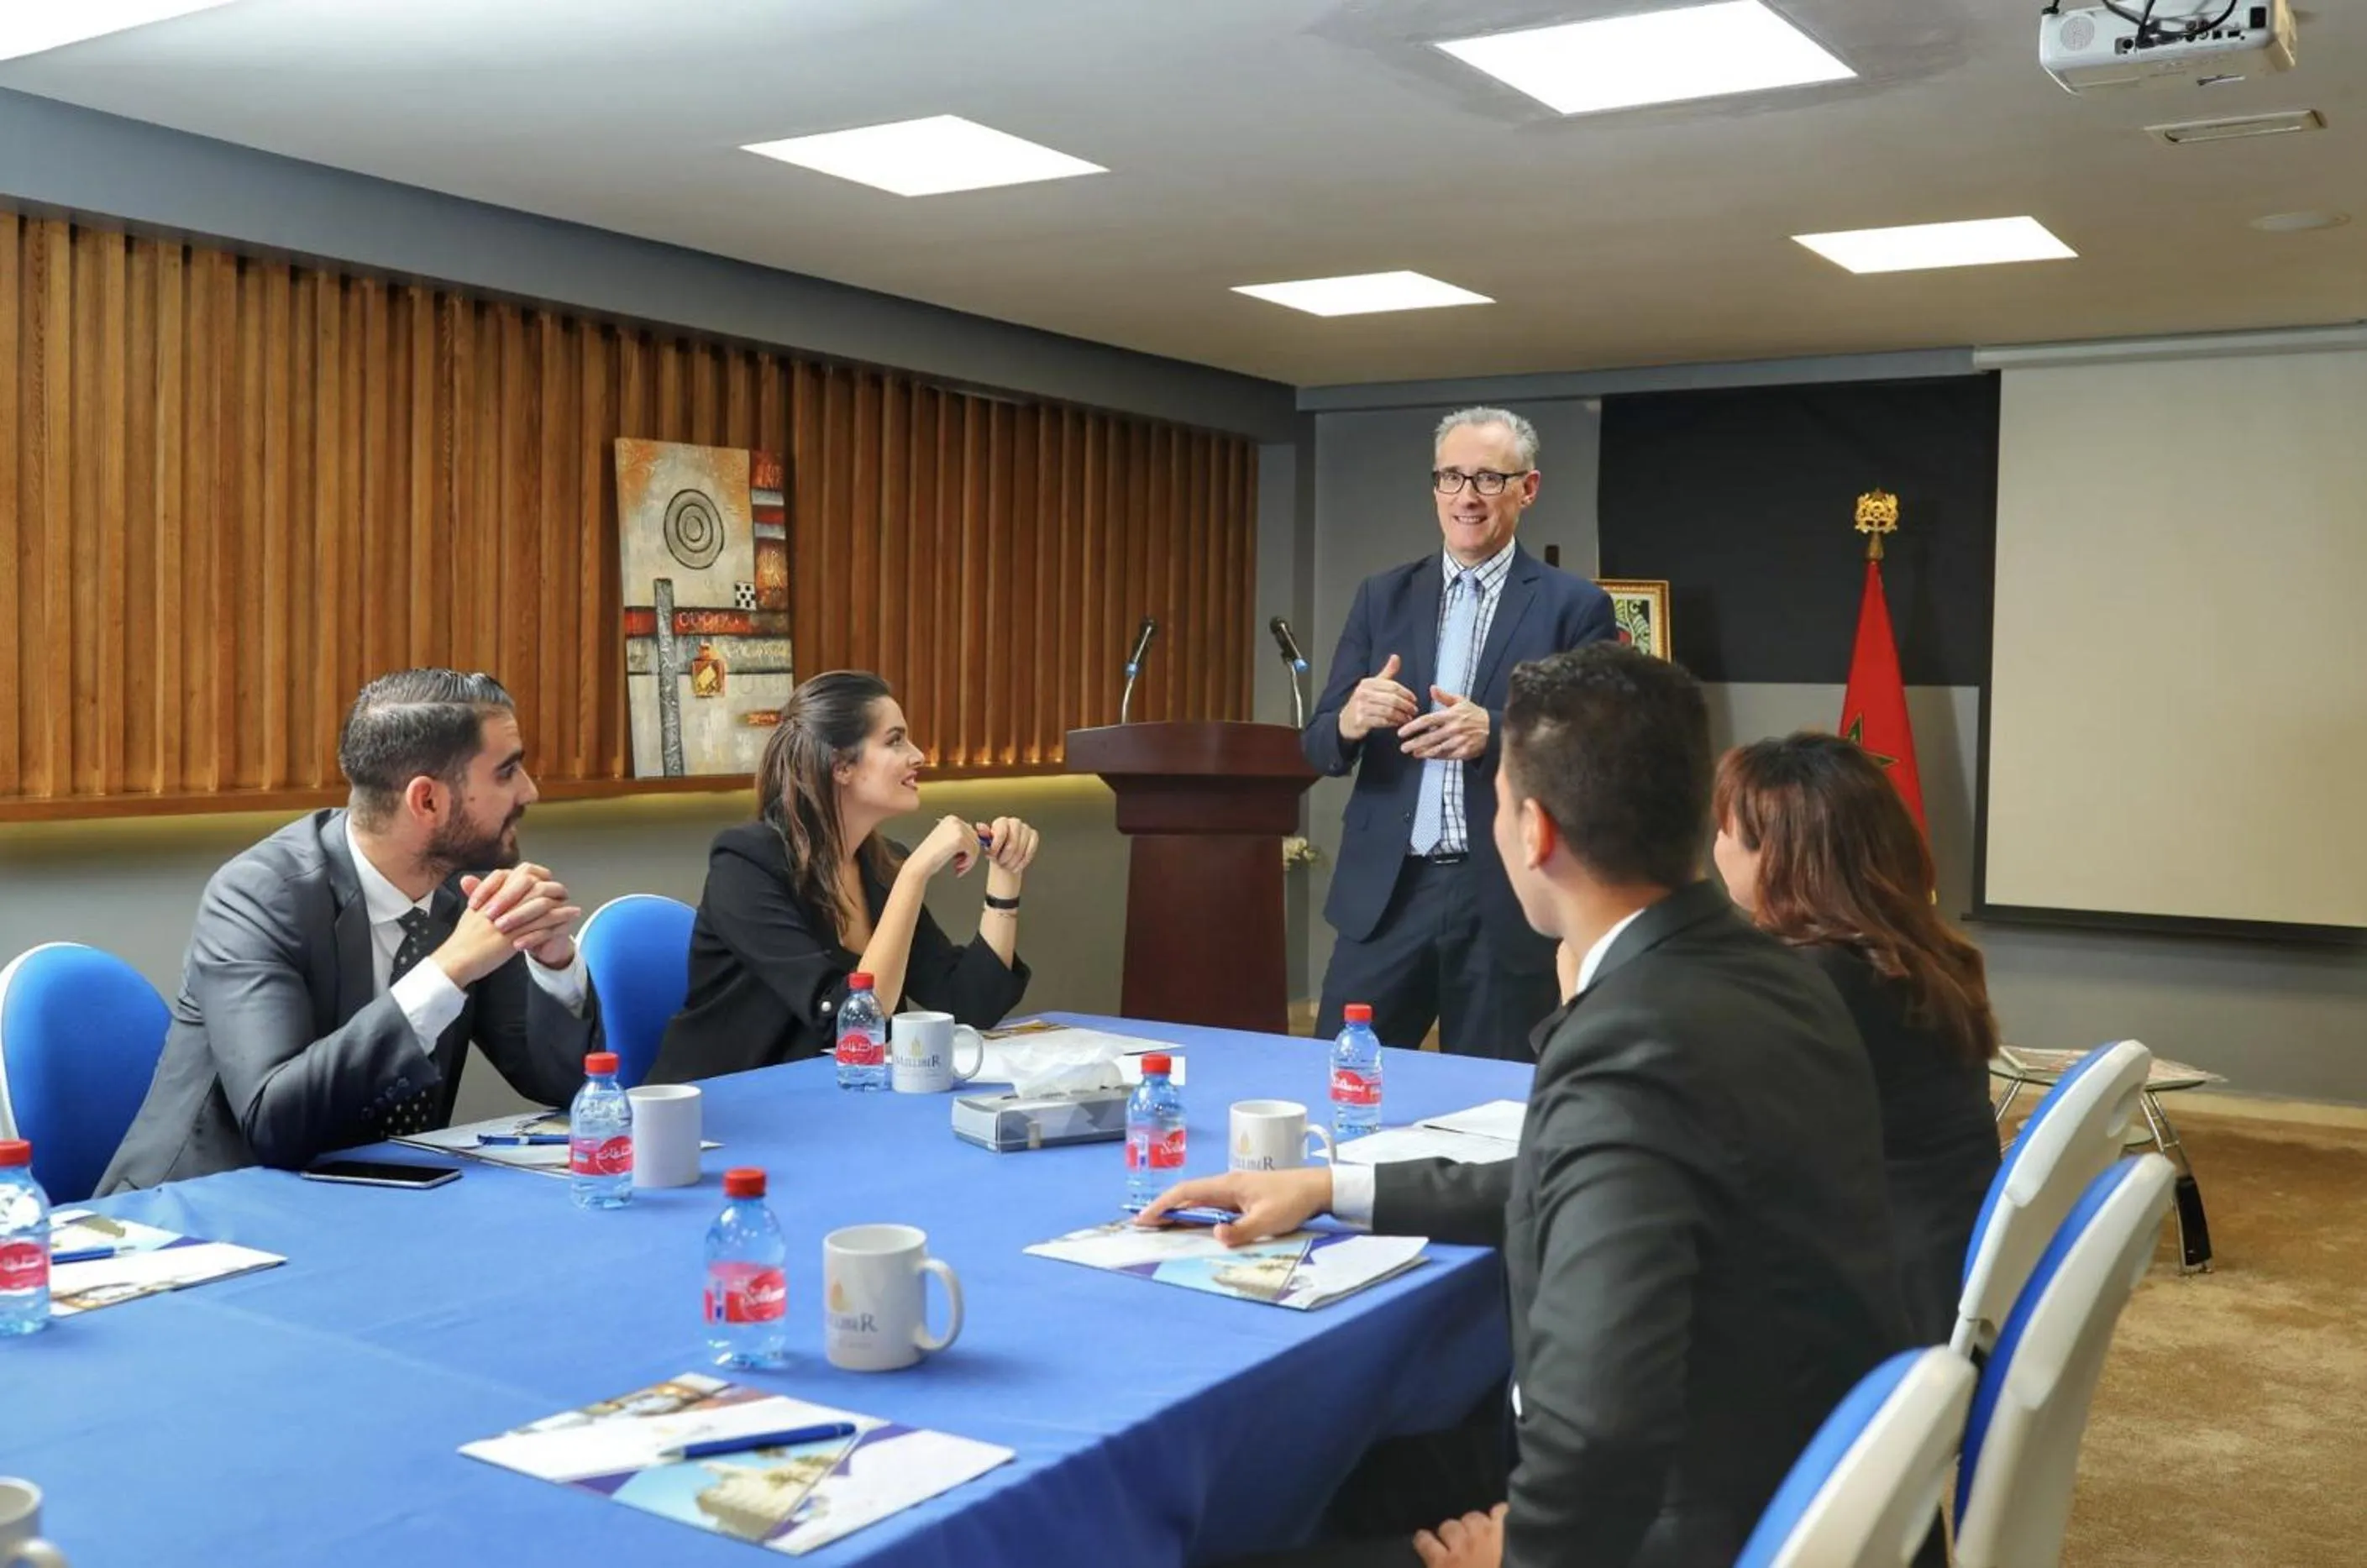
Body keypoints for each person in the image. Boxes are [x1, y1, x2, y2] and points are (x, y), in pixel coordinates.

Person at [1146, 645, 1907, 1568]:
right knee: (1306, 1476)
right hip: (1776, 1460)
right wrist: (1328, 1186)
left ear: (1533, 830)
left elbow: (1599, 1430)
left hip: (1676, 1518)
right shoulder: (1771, 974)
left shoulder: (1631, 1040)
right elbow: (1574, 1179)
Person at [99, 670, 600, 1193]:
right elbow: (276, 1121)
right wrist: (448, 971)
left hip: (378, 1206)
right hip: (207, 1216)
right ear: (427, 801)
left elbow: (571, 1086)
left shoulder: (460, 891)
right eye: (507, 772)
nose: (531, 790)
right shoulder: (259, 894)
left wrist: (554, 965)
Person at [1304, 407, 1617, 1060]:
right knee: (1339, 1082)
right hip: (1386, 898)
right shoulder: (1381, 595)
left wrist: (1496, 731)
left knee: (1495, 1102)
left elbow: (1595, 747)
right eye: (1450, 477)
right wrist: (1352, 719)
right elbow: (1316, 744)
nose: (1466, 497)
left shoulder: (1572, 606)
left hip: (1502, 895)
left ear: (1527, 489)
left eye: (1487, 479)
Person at [1714, 732, 2002, 1342]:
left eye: (1725, 830)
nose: (1714, 847)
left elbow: (1702, 1139)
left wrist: (1578, 993)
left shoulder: (1813, 976)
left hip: (1876, 1314)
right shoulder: (1917, 948)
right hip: (1936, 1275)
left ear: (1777, 854)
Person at [652, 671, 1034, 1079]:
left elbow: (970, 1004)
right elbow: (849, 1025)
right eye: (895, 740)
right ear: (840, 766)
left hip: (838, 1105)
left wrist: (1005, 875)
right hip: (725, 1117)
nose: (919, 754)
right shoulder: (745, 865)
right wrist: (916, 874)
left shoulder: (883, 865)